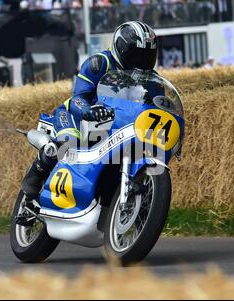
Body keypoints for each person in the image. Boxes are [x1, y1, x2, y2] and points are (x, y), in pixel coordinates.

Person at [20, 21, 158, 217]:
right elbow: (78, 97)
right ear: (120, 47)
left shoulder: (150, 81)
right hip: (76, 117)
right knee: (67, 142)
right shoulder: (100, 63)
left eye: (147, 55)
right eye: (136, 54)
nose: (141, 60)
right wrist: (88, 111)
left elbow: (152, 108)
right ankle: (34, 180)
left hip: (114, 129)